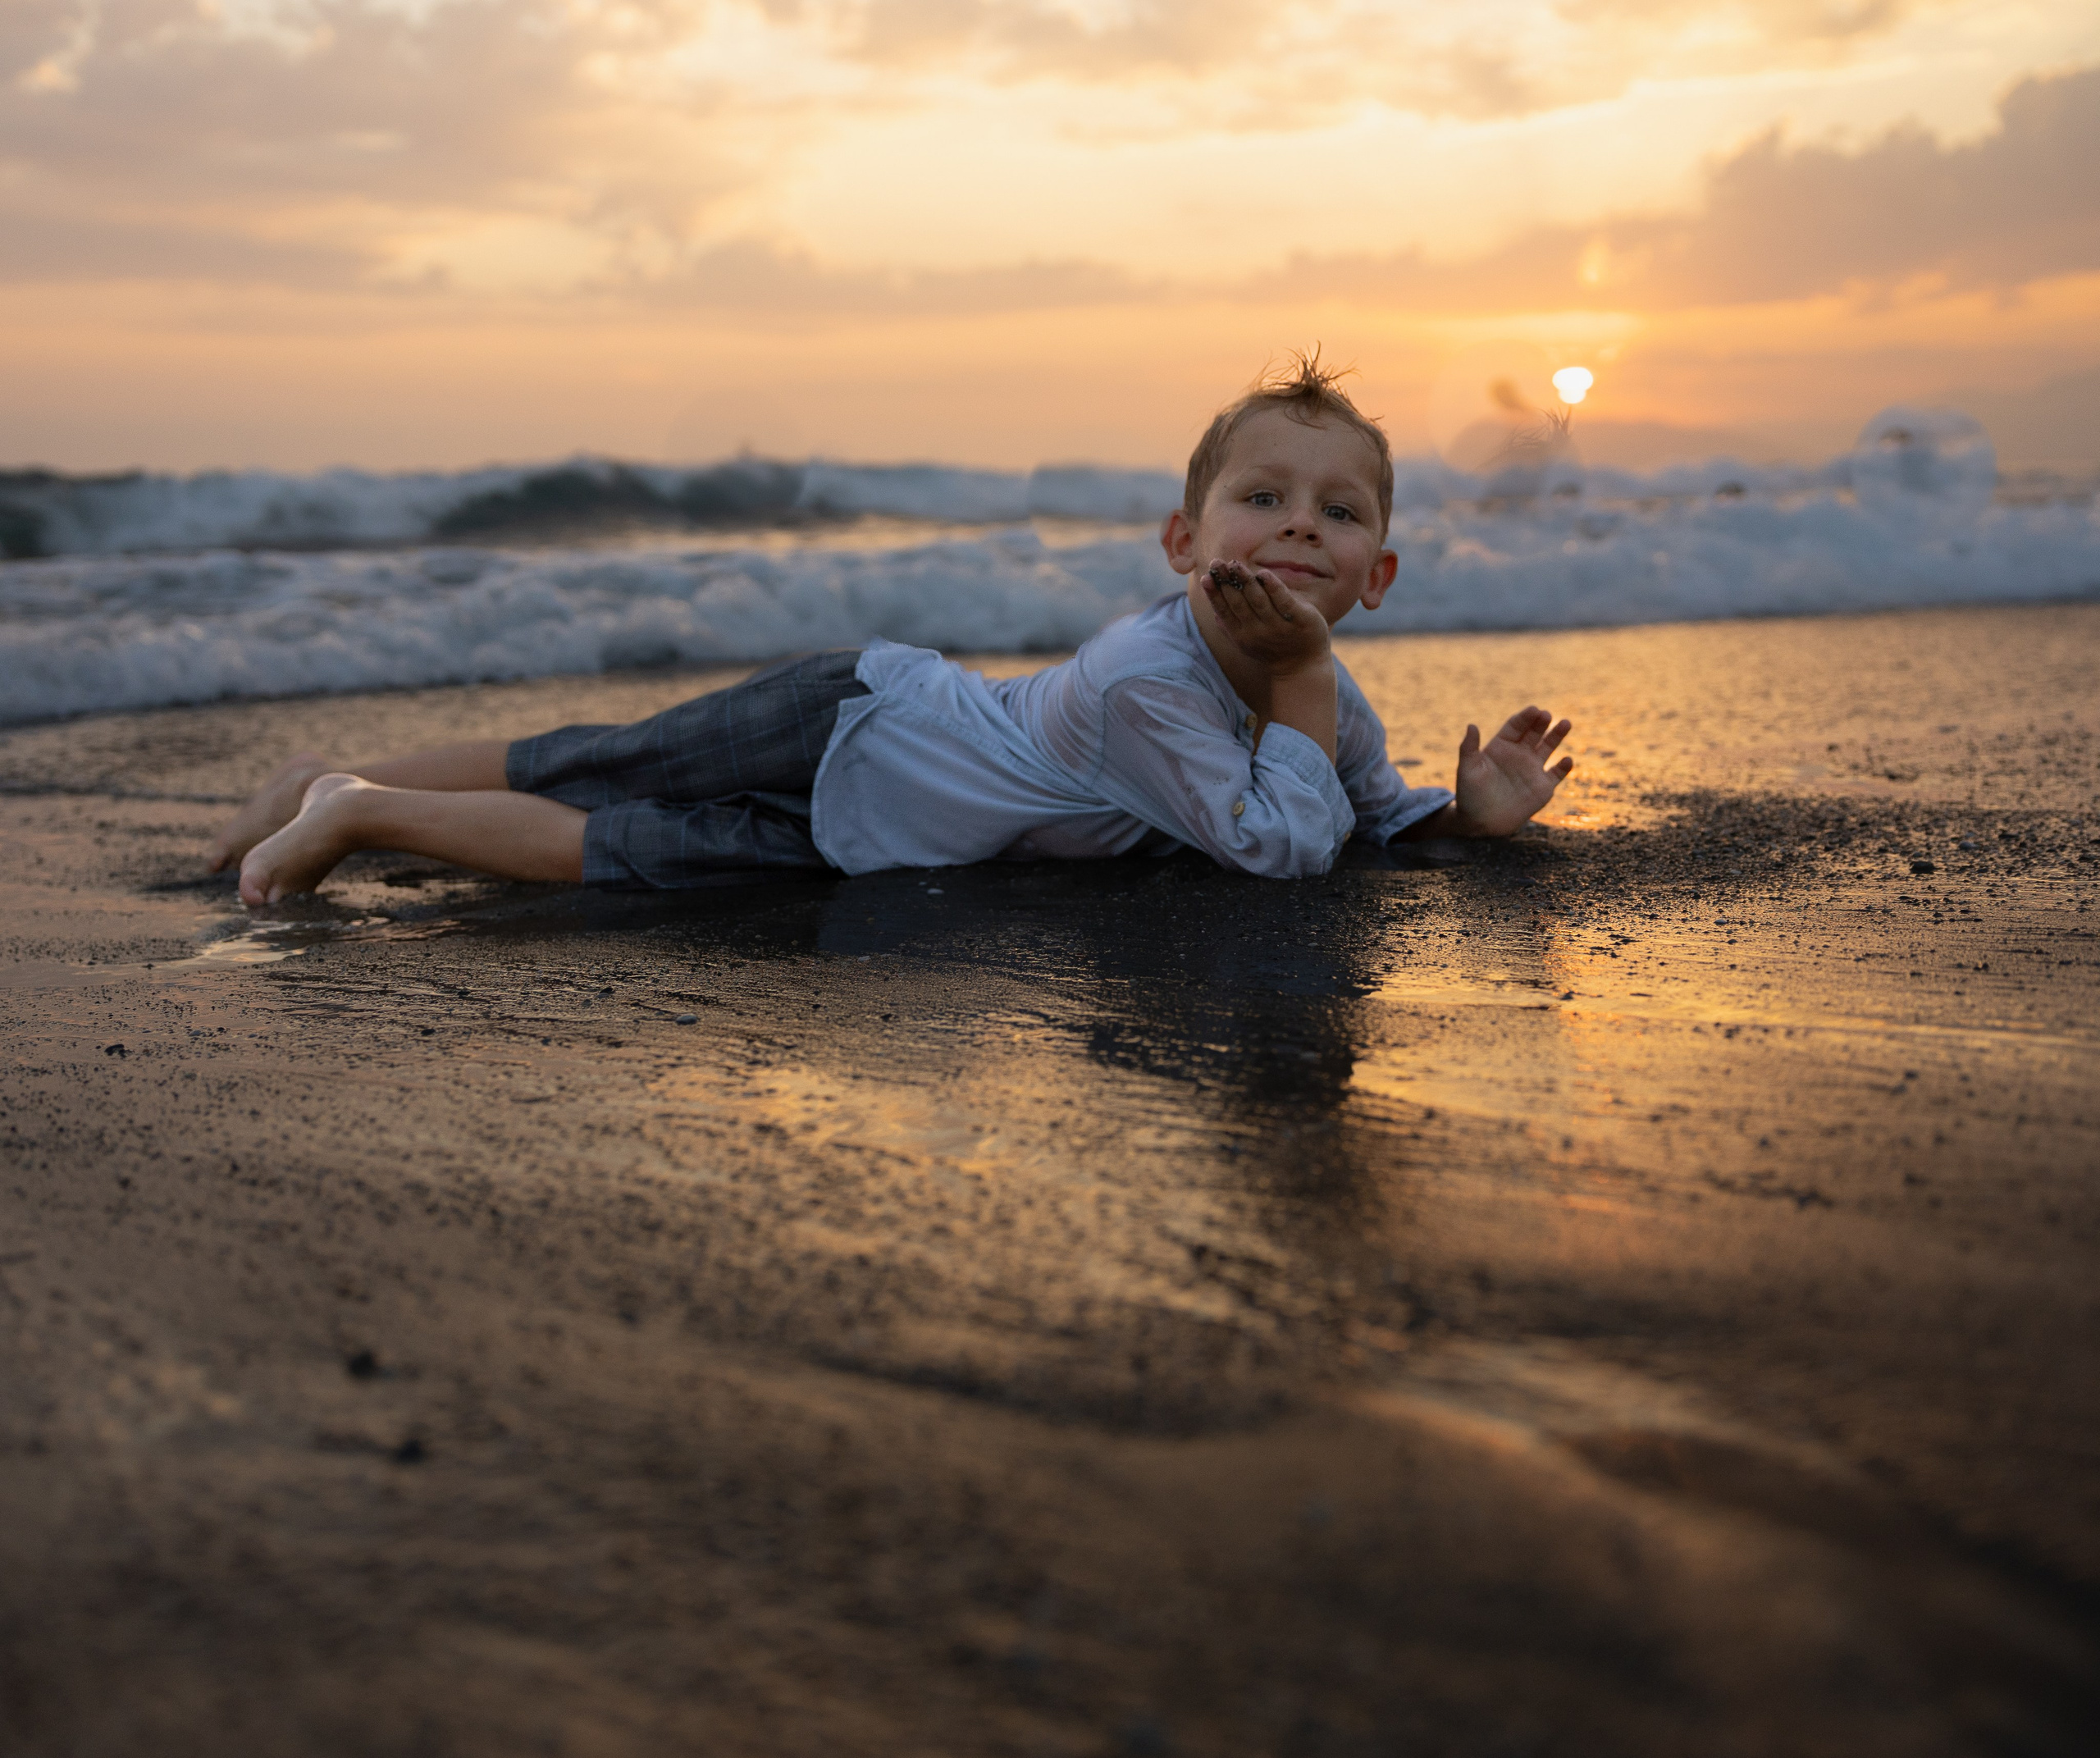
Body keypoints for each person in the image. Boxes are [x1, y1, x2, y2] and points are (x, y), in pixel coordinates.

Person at [216, 354, 1573, 905]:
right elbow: (1281, 846)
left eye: (1335, 515)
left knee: (620, 850)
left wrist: (1461, 820)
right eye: (1261, 497)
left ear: (1375, 574)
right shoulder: (1151, 682)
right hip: (859, 713)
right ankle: (342, 786)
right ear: (1184, 543)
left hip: (867, 829)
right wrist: (1306, 677)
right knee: (602, 760)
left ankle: (352, 804)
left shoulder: (1315, 694)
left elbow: (1357, 803)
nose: (1295, 530)